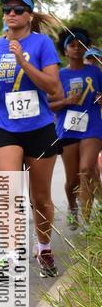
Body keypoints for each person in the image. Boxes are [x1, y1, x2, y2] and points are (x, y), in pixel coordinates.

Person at [0, 0, 63, 278]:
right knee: (10, 192)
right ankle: (12, 254)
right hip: (5, 128)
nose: (11, 14)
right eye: (6, 9)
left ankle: (44, 247)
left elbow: (53, 88)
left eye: (17, 10)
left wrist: (24, 62)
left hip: (40, 128)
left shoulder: (42, 44)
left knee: (40, 198)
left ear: (28, 15)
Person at [48, 27, 102, 225]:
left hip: (93, 127)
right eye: (72, 45)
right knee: (72, 179)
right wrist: (65, 102)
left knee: (86, 168)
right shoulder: (59, 76)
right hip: (68, 128)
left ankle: (88, 221)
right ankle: (73, 207)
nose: (77, 49)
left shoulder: (95, 72)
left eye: (80, 45)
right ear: (65, 51)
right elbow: (48, 104)